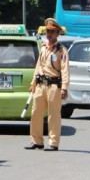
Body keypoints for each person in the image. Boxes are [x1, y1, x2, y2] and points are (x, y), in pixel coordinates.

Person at [26, 18, 70, 151]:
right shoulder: (43, 48)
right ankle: (37, 141)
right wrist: (33, 82)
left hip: (54, 85)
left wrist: (64, 87)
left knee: (54, 115)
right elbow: (38, 66)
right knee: (36, 113)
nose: (49, 34)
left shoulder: (61, 50)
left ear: (57, 33)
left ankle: (53, 142)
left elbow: (65, 69)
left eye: (52, 31)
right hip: (41, 85)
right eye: (47, 31)